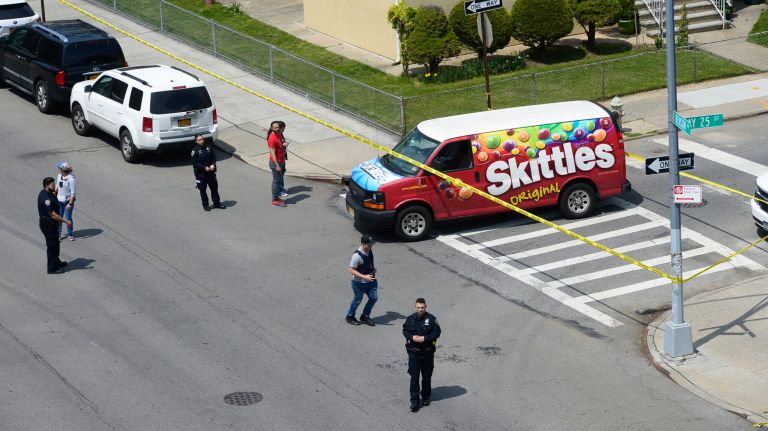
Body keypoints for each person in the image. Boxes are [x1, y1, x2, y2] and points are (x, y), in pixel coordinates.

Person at [402, 297, 441, 412]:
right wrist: (411, 337)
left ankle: (425, 397)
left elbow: (437, 333)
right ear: (415, 307)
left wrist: (425, 338)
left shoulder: (432, 319)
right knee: (414, 378)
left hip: (427, 353)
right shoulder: (410, 319)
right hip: (414, 354)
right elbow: (405, 331)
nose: (420, 309)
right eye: (418, 307)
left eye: (422, 307)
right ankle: (414, 402)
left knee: (426, 377)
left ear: (426, 307)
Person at [38, 177, 72, 274]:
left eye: (54, 184)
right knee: (52, 246)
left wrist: (55, 192)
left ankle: (56, 262)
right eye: (52, 185)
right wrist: (65, 221)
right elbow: (52, 214)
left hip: (52, 224)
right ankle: (52, 268)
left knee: (56, 244)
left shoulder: (48, 193)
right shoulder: (46, 199)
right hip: (48, 225)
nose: (55, 186)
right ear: (46, 186)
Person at [346, 234, 377, 326]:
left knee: (373, 298)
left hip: (371, 279)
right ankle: (350, 316)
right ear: (363, 244)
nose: (371, 246)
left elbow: (368, 261)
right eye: (369, 244)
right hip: (358, 283)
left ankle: (365, 315)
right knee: (358, 299)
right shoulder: (356, 256)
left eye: (372, 244)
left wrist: (373, 268)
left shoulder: (369, 249)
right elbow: (351, 270)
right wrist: (364, 277)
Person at [191, 134, 225, 211]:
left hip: (210, 173)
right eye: (199, 140)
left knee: (214, 188)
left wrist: (213, 164)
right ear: (196, 141)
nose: (202, 141)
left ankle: (217, 203)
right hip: (201, 174)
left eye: (202, 139)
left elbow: (214, 157)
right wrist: (204, 167)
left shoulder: (208, 147)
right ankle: (205, 205)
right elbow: (194, 163)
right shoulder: (194, 151)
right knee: (203, 190)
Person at [267, 120, 287, 207]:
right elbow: (272, 153)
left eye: (278, 127)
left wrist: (283, 145)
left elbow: (278, 146)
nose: (277, 129)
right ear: (272, 128)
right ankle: (274, 200)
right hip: (276, 163)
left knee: (277, 181)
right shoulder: (272, 138)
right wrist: (277, 165)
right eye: (275, 128)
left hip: (281, 160)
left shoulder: (278, 134)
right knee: (276, 181)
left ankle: (276, 197)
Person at [55, 162, 76, 241]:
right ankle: (58, 235)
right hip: (59, 201)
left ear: (63, 170)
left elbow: (73, 193)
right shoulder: (59, 176)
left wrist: (70, 203)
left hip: (67, 202)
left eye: (60, 168)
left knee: (68, 218)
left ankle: (70, 234)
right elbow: (57, 186)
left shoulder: (71, 179)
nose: (59, 170)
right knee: (59, 218)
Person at [278, 120, 290, 197]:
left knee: (282, 174)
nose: (284, 130)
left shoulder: (280, 134)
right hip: (278, 159)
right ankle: (279, 190)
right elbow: (275, 148)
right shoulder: (276, 136)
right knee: (279, 176)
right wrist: (283, 145)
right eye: (283, 129)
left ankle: (281, 188)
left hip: (282, 157)